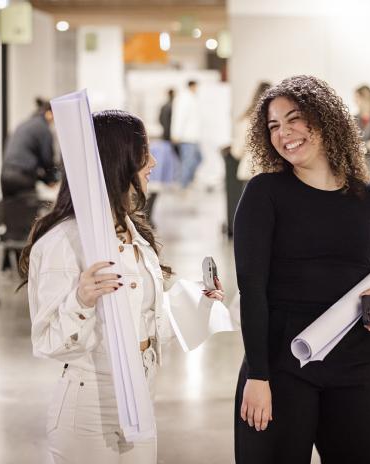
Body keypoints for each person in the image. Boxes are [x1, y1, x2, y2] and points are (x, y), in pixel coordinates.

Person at [18, 110, 224, 463]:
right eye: (144, 152)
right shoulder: (62, 242)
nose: (153, 162)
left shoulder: (134, 230)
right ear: (118, 159)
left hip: (140, 395)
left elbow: (143, 316)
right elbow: (48, 341)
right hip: (88, 403)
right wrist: (80, 300)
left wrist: (198, 299)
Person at [233, 75, 370, 464]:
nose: (284, 133)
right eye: (274, 126)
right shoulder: (264, 193)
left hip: (355, 364)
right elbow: (252, 290)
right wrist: (258, 376)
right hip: (281, 365)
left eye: (295, 119)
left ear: (325, 120)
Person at [225, 81, 271, 236]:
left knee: (250, 211)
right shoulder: (273, 118)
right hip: (271, 170)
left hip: (250, 170)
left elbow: (238, 151)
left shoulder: (247, 120)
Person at [1, 97, 59, 200]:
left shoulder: (24, 125)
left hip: (5, 176)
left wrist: (45, 179)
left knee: (10, 213)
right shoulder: (43, 128)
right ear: (49, 113)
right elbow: (47, 160)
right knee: (30, 212)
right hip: (22, 178)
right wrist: (52, 179)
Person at [171, 80, 203, 189]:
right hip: (187, 137)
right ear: (192, 86)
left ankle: (187, 181)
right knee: (188, 161)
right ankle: (183, 184)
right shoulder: (185, 99)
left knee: (198, 159)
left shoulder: (192, 98)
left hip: (193, 137)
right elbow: (180, 117)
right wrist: (176, 134)